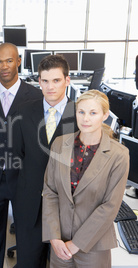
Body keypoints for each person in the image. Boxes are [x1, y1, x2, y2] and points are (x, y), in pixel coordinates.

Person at [0, 42, 42, 268]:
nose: (4, 66)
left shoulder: (35, 95)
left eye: (9, 60)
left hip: (23, 180)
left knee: (27, 238)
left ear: (19, 61)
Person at [42, 89, 129, 267]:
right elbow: (50, 192)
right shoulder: (60, 144)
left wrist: (76, 244)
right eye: (81, 112)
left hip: (94, 246)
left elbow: (110, 206)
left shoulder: (119, 154)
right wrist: (53, 236)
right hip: (60, 242)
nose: (85, 118)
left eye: (93, 113)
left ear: (105, 115)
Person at [13, 54, 78, 267]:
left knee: (63, 262)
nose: (50, 87)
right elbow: (16, 154)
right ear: (39, 81)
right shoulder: (23, 111)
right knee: (29, 261)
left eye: (56, 80)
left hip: (66, 205)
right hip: (29, 203)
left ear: (67, 81)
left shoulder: (79, 115)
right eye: (45, 81)